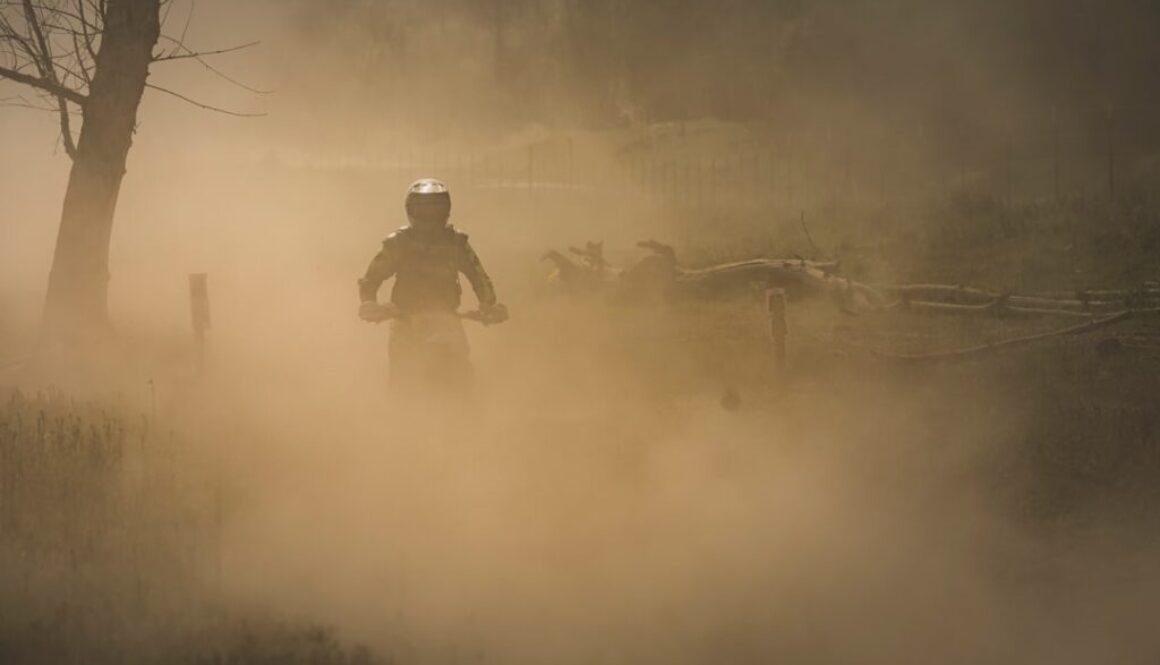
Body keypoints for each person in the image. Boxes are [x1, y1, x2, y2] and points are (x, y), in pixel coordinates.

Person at [358, 178, 507, 393]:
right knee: (401, 378)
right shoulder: (397, 243)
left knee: (462, 375)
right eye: (423, 210)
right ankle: (398, 415)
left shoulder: (457, 243)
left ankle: (466, 411)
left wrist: (489, 305)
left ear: (446, 211)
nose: (429, 217)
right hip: (404, 320)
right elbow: (371, 279)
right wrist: (369, 302)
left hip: (446, 319)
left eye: (435, 210)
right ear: (411, 211)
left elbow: (479, 277)